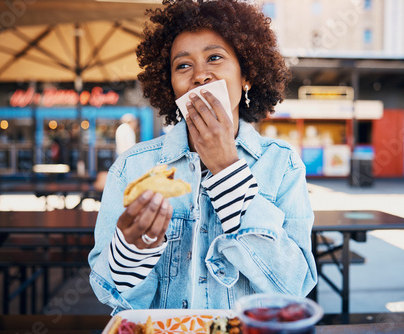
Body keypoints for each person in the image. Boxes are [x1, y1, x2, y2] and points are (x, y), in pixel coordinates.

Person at [88, 0, 317, 312]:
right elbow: (113, 295)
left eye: (215, 58)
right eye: (183, 65)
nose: (199, 75)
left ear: (246, 75)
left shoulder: (282, 165)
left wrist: (226, 168)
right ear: (171, 86)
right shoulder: (133, 167)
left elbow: (294, 286)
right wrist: (133, 252)